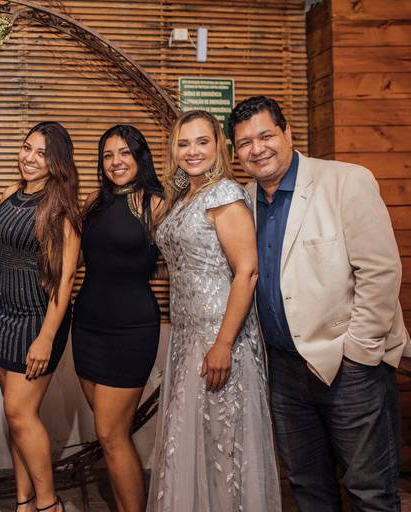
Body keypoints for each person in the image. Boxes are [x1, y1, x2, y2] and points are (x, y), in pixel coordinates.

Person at [230, 95, 410, 512]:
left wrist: (359, 353)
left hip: (349, 368)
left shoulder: (345, 181)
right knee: (308, 489)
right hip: (283, 372)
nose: (257, 149)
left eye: (265, 136)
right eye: (245, 143)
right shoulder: (242, 201)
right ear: (235, 152)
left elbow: (380, 272)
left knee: (370, 492)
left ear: (288, 132)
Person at [147, 109, 281, 511]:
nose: (193, 151)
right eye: (184, 144)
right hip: (188, 336)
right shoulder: (184, 197)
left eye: (202, 142)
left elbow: (247, 272)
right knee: (192, 441)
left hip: (220, 335)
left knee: (223, 446)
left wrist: (223, 344)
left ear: (219, 146)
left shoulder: (225, 194)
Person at [0, 121, 81, 512]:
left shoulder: (61, 210)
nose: (29, 158)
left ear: (56, 162)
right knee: (17, 418)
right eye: (27, 148)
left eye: (41, 153)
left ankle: (48, 503)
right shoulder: (10, 193)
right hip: (1, 314)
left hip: (37, 318)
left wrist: (46, 338)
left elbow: (65, 280)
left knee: (18, 411)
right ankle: (24, 502)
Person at [72, 124, 163, 512]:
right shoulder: (95, 200)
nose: (115, 162)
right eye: (107, 155)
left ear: (140, 156)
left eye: (125, 153)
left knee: (110, 434)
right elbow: (76, 257)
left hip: (132, 329)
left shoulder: (156, 203)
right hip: (87, 324)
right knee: (112, 433)